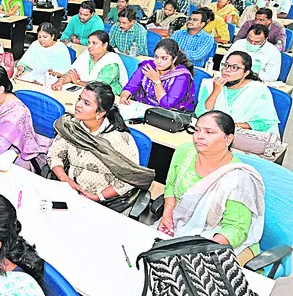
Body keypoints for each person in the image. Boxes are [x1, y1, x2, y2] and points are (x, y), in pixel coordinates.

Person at [158, 110, 265, 262]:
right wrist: (167, 213)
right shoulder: (184, 151)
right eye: (197, 130)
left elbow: (235, 229)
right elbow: (170, 185)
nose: (199, 136)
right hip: (180, 225)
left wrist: (200, 251)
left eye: (209, 132)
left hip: (218, 241)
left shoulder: (238, 179)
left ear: (228, 139)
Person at [48, 81, 154, 212]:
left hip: (106, 202)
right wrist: (64, 178)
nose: (78, 104)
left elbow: (129, 178)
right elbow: (54, 155)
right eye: (79, 99)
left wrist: (98, 196)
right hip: (69, 193)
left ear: (100, 113)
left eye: (86, 103)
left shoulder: (119, 139)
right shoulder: (72, 127)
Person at [195, 51, 279, 135]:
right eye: (226, 65)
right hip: (212, 133)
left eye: (234, 67)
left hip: (245, 135)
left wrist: (233, 126)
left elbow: (265, 123)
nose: (227, 70)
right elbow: (201, 113)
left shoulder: (257, 89)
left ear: (246, 73)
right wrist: (215, 92)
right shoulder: (211, 84)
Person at [120, 38, 195, 111]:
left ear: (174, 59)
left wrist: (156, 81)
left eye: (164, 58)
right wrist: (124, 96)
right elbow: (130, 87)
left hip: (169, 114)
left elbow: (166, 104)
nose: (158, 61)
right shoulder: (148, 67)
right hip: (144, 108)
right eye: (156, 57)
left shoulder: (182, 76)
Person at [53, 31, 128, 95]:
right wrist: (61, 81)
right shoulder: (86, 54)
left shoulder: (111, 61)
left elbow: (98, 87)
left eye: (94, 43)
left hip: (106, 96)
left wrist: (78, 81)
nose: (90, 46)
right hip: (84, 91)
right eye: (89, 43)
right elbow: (71, 73)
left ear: (105, 45)